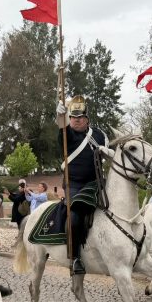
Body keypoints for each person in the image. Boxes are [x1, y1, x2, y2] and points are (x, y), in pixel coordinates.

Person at [56, 94, 108, 275]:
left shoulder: (100, 135)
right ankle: (75, 257)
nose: (76, 120)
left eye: (80, 117)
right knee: (74, 216)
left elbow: (112, 154)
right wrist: (60, 116)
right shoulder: (67, 135)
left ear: (87, 119)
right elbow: (62, 127)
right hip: (74, 185)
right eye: (73, 117)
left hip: (97, 183)